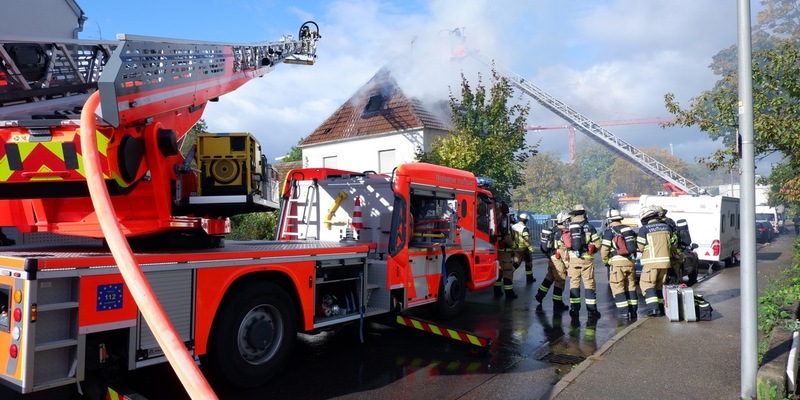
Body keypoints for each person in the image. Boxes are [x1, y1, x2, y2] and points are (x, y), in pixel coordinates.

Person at [636, 206, 676, 317]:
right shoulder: (667, 228)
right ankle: (661, 309)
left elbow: (640, 247)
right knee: (659, 286)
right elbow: (674, 246)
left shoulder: (644, 229)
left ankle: (654, 309)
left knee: (646, 285)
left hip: (651, 263)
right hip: (665, 264)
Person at [600, 209, 638, 320]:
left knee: (618, 288)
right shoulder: (628, 229)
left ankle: (624, 314)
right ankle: (634, 312)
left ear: (609, 220)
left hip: (617, 264)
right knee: (631, 287)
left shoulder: (609, 232)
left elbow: (604, 250)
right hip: (630, 263)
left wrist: (606, 261)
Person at [565, 204, 601, 320]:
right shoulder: (589, 227)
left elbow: (564, 243)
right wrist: (593, 249)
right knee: (589, 284)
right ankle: (591, 311)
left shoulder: (569, 227)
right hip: (586, 260)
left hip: (573, 259)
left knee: (574, 283)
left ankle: (574, 310)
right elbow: (598, 244)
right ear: (584, 214)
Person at [535, 211, 569, 312]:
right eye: (568, 220)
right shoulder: (562, 232)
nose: (569, 221)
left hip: (552, 258)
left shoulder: (554, 229)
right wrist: (566, 264)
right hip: (558, 260)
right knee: (560, 279)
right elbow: (563, 250)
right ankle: (558, 303)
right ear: (564, 221)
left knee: (549, 277)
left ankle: (539, 295)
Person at [493, 201, 518, 299]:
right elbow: (508, 240)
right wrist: (514, 246)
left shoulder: (496, 227)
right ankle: (509, 293)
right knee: (508, 273)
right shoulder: (506, 228)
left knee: (498, 273)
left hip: (496, 253)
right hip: (505, 254)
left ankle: (497, 292)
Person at [512, 213, 537, 285]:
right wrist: (531, 248)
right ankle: (529, 278)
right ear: (526, 221)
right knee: (526, 263)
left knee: (519, 262)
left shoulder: (513, 226)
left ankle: (509, 274)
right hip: (523, 248)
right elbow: (526, 239)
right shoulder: (524, 228)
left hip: (515, 247)